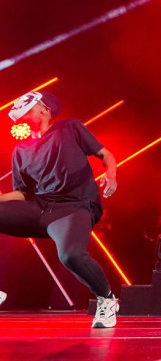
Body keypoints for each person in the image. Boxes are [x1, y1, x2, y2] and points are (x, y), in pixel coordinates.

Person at [0, 91, 120, 327]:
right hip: (39, 208)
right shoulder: (21, 150)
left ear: (43, 109)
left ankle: (107, 300)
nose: (20, 118)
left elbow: (105, 154)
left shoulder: (69, 128)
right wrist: (2, 198)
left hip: (73, 207)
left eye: (26, 112)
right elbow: (24, 193)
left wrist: (111, 175)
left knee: (71, 256)